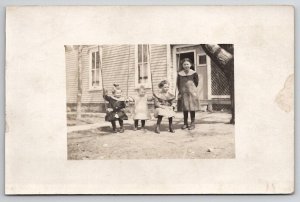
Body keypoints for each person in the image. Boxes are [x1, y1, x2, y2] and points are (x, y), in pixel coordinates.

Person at [177, 58, 200, 130]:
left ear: (190, 65)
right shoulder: (180, 74)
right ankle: (185, 123)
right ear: (182, 65)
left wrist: (192, 89)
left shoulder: (194, 73)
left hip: (192, 92)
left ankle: (192, 123)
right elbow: (178, 83)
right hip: (183, 93)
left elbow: (196, 82)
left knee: (192, 108)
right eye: (184, 64)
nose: (186, 65)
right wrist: (180, 91)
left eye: (187, 64)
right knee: (185, 108)